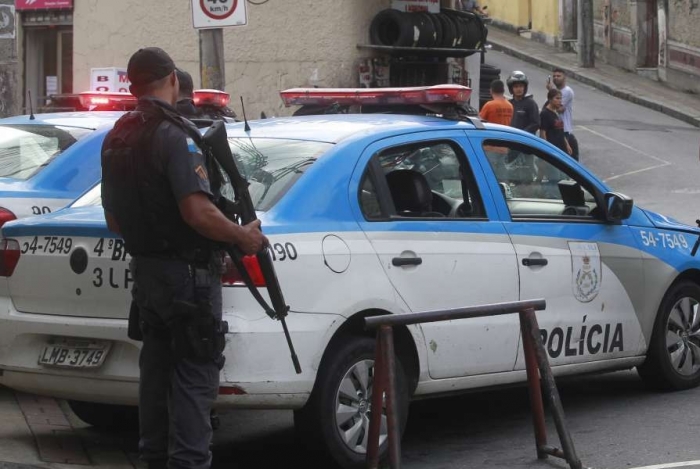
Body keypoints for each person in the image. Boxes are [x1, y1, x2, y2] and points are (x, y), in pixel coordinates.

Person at [100, 47, 267, 469]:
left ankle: (153, 459)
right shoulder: (175, 135)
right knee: (194, 376)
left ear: (133, 84)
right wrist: (241, 236)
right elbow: (197, 211)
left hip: (148, 276)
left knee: (155, 375)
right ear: (173, 78)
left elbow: (114, 220)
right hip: (188, 277)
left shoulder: (117, 134)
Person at [547, 68, 579, 161]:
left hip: (563, 129)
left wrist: (550, 91)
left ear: (564, 77)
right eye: (554, 76)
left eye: (558, 76)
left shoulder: (567, 91)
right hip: (554, 129)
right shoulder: (555, 92)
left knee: (563, 158)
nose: (556, 78)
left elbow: (559, 109)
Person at [540, 88, 573, 156]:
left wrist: (567, 145)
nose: (560, 101)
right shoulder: (545, 113)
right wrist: (546, 150)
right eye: (557, 98)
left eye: (560, 98)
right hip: (552, 150)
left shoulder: (556, 112)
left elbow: (560, 131)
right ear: (550, 99)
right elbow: (543, 134)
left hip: (561, 149)